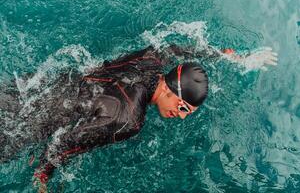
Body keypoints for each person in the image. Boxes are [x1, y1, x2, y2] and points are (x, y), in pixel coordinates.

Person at [0, 44, 277, 192]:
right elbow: (62, 145)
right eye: (183, 109)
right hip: (23, 127)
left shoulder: (151, 60)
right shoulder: (129, 121)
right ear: (170, 91)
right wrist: (43, 179)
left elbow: (175, 51)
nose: (180, 117)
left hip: (32, 88)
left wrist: (228, 57)